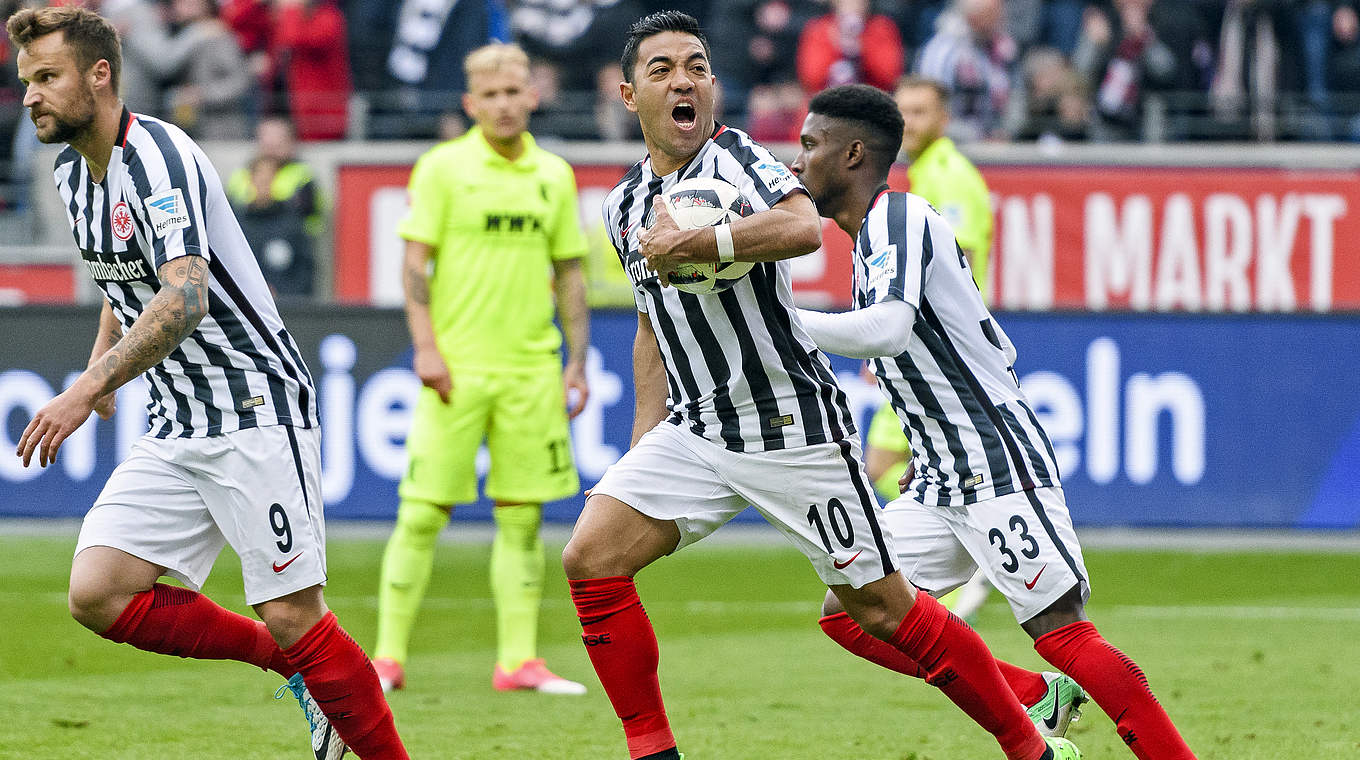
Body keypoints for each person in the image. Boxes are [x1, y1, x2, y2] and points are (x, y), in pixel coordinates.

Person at [565, 11, 1078, 760]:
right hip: (701, 429)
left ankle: (1031, 741)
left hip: (793, 428)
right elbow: (653, 326)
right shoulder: (623, 208)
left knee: (882, 609)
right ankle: (652, 750)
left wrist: (704, 242)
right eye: (664, 69)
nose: (685, 80)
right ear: (626, 94)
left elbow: (803, 229)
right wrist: (642, 447)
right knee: (591, 557)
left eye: (698, 67)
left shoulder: (736, 161)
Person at [7, 8, 407, 759]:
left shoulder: (159, 155)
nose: (31, 95)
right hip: (178, 419)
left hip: (253, 403)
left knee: (294, 610)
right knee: (98, 591)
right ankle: (302, 675)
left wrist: (86, 387)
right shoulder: (71, 172)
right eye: (27, 81)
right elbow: (119, 277)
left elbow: (185, 295)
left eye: (48, 78)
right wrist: (109, 364)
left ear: (101, 75)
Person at [790, 82, 1200, 760]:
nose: (797, 160)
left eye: (810, 145)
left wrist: (787, 322)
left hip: (993, 460)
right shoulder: (869, 244)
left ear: (853, 154)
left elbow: (889, 328)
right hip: (940, 476)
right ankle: (1033, 699)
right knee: (854, 611)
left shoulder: (899, 217)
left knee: (1061, 630)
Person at [371, 41, 591, 697]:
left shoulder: (554, 174)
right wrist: (426, 347)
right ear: (471, 103)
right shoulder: (442, 169)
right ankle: (385, 658)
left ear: (532, 96)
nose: (502, 105)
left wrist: (576, 361)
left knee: (522, 518)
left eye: (512, 93)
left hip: (530, 371)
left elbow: (569, 274)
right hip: (457, 370)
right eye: (489, 95)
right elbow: (416, 266)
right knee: (421, 513)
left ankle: (518, 661)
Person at [870, 74, 999, 619]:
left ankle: (979, 558)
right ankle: (971, 559)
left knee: (886, 462)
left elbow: (956, 266)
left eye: (920, 112)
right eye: (903, 113)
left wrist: (898, 336)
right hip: (921, 355)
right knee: (906, 466)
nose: (910, 124)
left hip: (937, 360)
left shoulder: (950, 178)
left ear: (944, 118)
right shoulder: (925, 175)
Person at [227, 116, 323, 299]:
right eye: (266, 139)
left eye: (276, 139)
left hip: (286, 258)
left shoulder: (303, 176)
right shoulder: (239, 175)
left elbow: (311, 224)